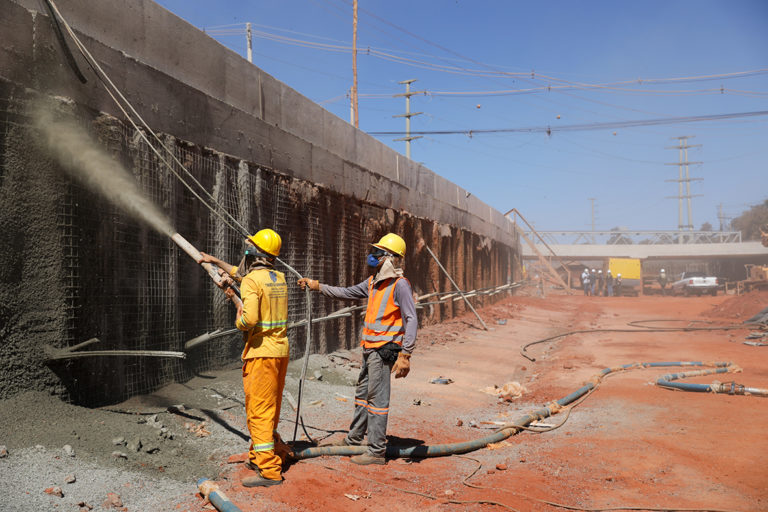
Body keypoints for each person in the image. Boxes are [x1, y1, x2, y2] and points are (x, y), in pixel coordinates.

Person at [298, 233, 417, 465]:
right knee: (362, 396)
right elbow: (347, 292)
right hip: (369, 349)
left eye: (378, 253)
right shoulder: (373, 282)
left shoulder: (400, 285)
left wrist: (406, 354)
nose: (372, 257)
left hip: (385, 350)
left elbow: (411, 319)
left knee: (377, 399)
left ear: (391, 258)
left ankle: (376, 451)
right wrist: (317, 286)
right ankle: (354, 439)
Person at [200, 229, 292, 487]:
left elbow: (249, 318)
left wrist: (238, 312)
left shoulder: (252, 281)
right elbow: (243, 276)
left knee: (259, 410)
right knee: (269, 408)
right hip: (279, 350)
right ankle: (261, 454)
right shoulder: (278, 277)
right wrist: (215, 262)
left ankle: (269, 470)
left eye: (249, 247)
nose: (245, 249)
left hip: (261, 353)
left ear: (255, 252)